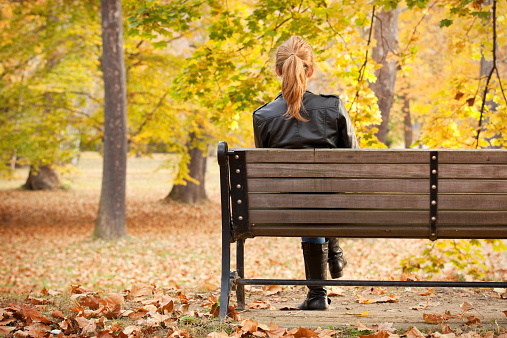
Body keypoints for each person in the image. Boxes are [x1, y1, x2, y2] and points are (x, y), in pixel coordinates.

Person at [252, 36, 360, 310]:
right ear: (310, 70)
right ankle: (332, 253)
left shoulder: (263, 117)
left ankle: (317, 294)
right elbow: (357, 161)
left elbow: (265, 172)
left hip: (284, 207)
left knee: (307, 198)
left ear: (278, 71)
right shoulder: (333, 107)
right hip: (335, 205)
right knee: (321, 196)